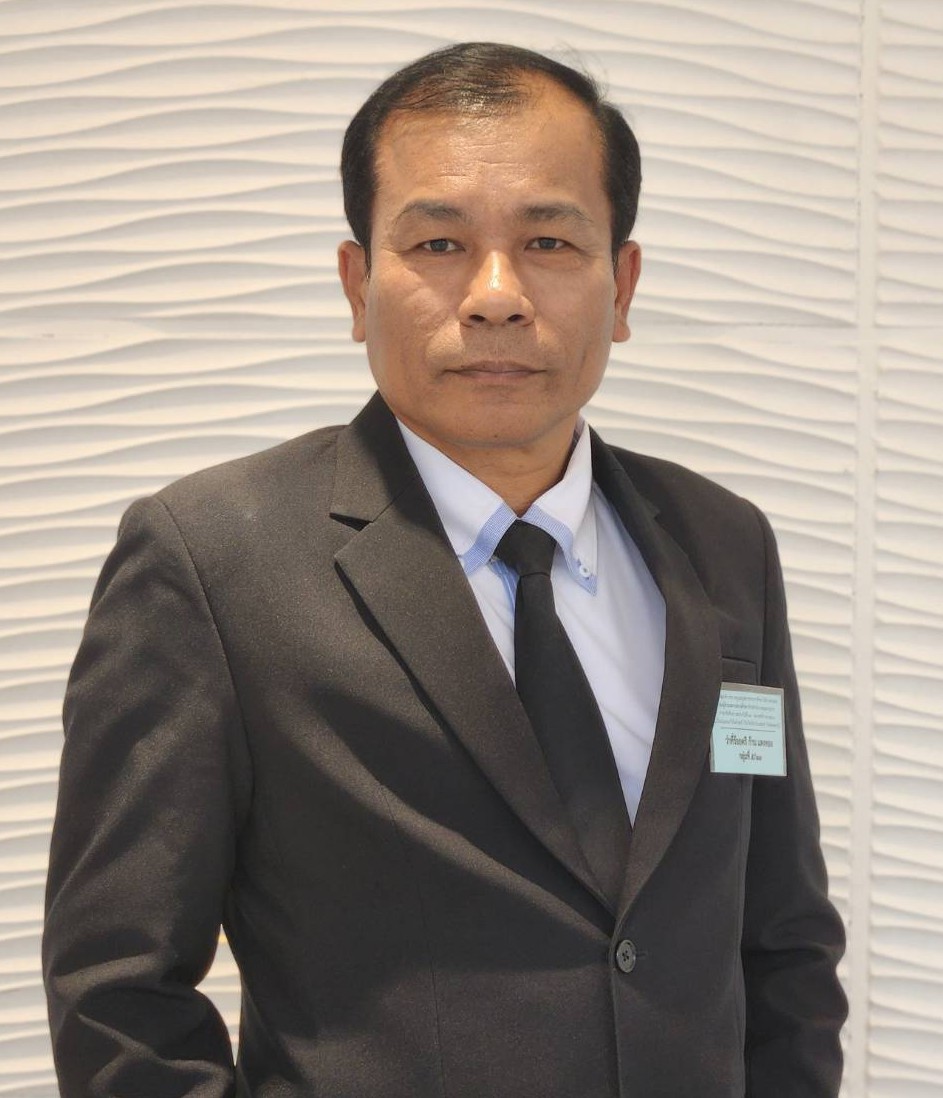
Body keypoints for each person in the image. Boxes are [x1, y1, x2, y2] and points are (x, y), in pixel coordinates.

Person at [43, 42, 847, 1098]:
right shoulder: (210, 561)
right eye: (438, 242)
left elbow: (781, 938)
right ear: (357, 283)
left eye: (548, 240)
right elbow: (118, 996)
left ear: (621, 283)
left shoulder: (724, 545)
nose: (496, 295)